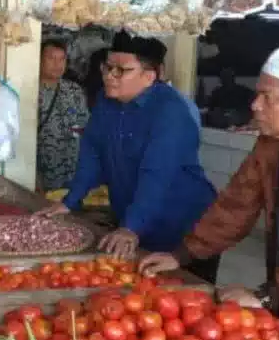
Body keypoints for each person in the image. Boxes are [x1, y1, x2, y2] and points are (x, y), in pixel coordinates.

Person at [141, 44, 279, 340]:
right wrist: (184, 253)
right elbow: (236, 204)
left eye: (268, 97)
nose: (255, 105)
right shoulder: (272, 144)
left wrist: (268, 296)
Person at [38, 30, 220, 283]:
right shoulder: (107, 102)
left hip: (184, 229)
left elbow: (157, 174)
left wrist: (132, 226)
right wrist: (71, 201)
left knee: (182, 300)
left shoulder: (172, 112)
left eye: (121, 70)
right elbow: (92, 153)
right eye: (107, 67)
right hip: (134, 222)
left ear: (149, 76)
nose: (109, 76)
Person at [37, 39, 90, 192]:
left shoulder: (74, 90)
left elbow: (84, 126)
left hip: (72, 174)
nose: (57, 64)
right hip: (42, 176)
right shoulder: (32, 90)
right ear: (39, 60)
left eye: (62, 59)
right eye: (51, 58)